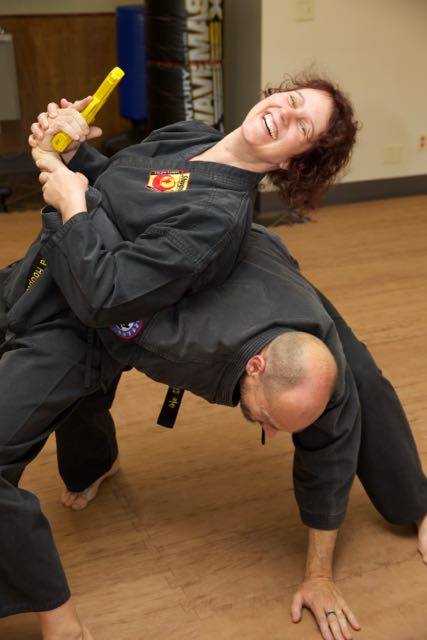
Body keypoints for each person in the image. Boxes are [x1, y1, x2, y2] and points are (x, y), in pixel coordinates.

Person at [0, 72, 358, 639]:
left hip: (73, 331)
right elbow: (120, 186)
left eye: (302, 126)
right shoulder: (191, 135)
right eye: (290, 101)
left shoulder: (217, 220)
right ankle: (96, 464)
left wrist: (71, 202)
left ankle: (60, 621)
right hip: (38, 275)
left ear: (294, 161)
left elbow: (105, 297)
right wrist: (73, 147)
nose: (284, 114)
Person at [55, 224, 427, 640]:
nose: (270, 433)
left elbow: (329, 457)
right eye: (268, 420)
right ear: (255, 367)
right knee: (80, 361)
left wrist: (318, 576)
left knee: (363, 382)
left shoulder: (318, 348)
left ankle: (418, 505)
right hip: (166, 265)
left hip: (267, 271)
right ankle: (95, 463)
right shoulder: (178, 339)